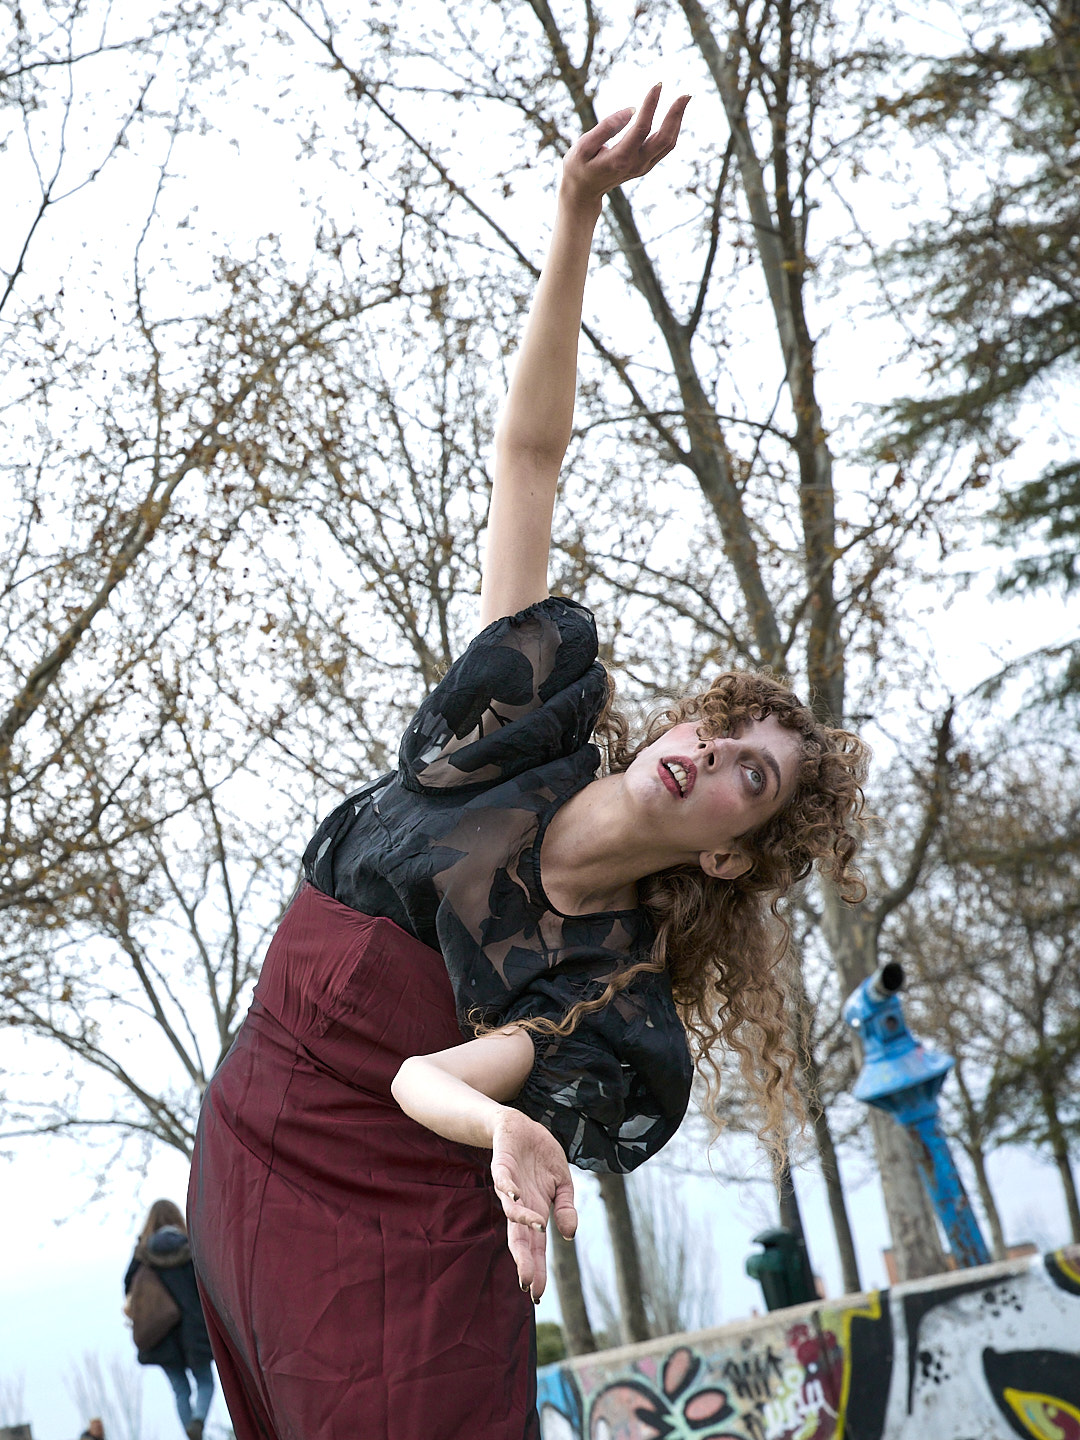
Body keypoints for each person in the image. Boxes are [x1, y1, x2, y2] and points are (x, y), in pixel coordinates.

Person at [188, 85, 868, 1440]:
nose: (713, 755)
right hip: (253, 1137)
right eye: (718, 726)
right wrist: (575, 210)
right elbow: (530, 459)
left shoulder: (610, 989)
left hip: (407, 1209)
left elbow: (424, 1084)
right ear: (674, 725)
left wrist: (507, 1130)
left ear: (730, 853)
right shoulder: (526, 722)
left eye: (751, 778)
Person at [124, 1200, 214, 1440]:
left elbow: (128, 1288)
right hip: (194, 1328)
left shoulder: (142, 1254)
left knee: (180, 1389)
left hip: (161, 1333)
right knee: (205, 1382)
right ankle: (198, 1420)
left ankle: (192, 1435)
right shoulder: (191, 1247)